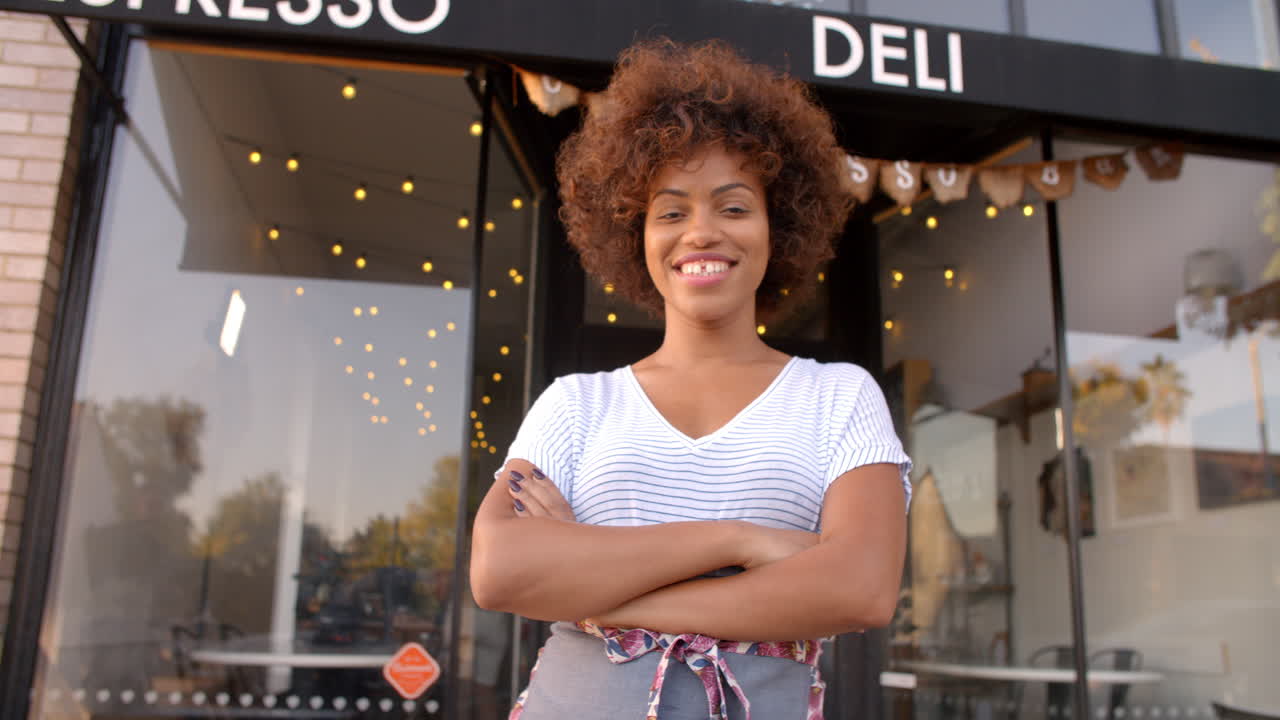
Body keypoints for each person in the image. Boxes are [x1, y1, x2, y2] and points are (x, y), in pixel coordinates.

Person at [470, 38, 912, 720]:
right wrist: (737, 541)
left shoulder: (838, 397)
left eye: (733, 207)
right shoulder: (577, 404)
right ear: (635, 234)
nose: (701, 232)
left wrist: (595, 587)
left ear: (778, 226)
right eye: (671, 211)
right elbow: (499, 570)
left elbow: (860, 588)